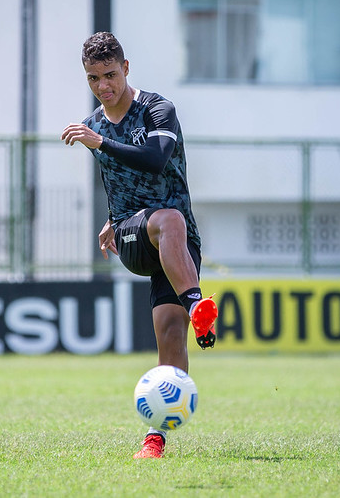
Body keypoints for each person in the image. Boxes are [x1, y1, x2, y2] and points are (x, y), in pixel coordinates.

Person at [61, 32, 218, 459]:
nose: (103, 86)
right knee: (168, 218)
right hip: (138, 237)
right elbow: (118, 179)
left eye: (110, 75)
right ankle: (196, 304)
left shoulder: (156, 109)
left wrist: (103, 144)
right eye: (94, 78)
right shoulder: (94, 125)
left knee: (171, 338)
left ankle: (155, 438)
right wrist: (113, 219)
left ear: (126, 68)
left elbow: (155, 159)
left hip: (178, 244)